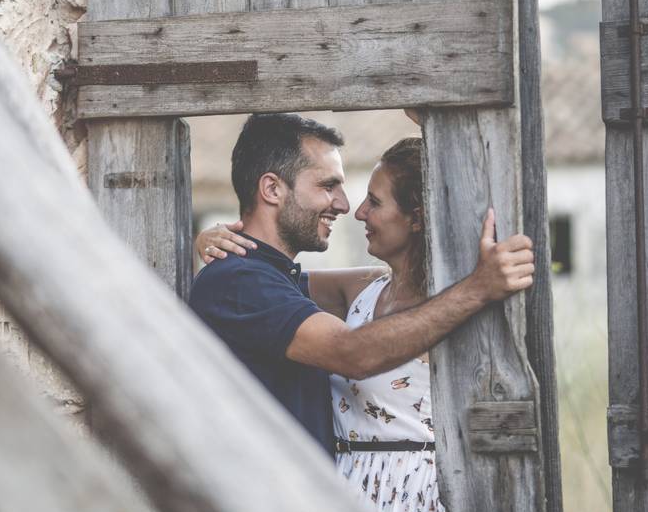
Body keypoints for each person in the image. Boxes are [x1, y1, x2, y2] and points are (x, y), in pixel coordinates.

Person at [189, 113, 534, 461]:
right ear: (272, 189)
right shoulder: (238, 281)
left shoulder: (273, 278)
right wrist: (478, 288)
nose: (344, 205)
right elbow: (351, 352)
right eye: (328, 186)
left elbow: (389, 281)